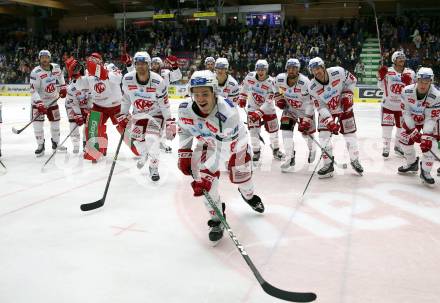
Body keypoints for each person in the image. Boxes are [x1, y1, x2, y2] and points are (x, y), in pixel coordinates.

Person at [177, 70, 264, 243]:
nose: (201, 98)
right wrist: (184, 152)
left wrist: (206, 176)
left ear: (214, 92)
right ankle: (217, 219)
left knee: (242, 179)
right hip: (210, 144)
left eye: (205, 94)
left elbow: (224, 148)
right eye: (196, 94)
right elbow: (185, 129)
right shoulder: (184, 109)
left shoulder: (227, 113)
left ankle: (248, 196)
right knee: (207, 186)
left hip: (234, 144)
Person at [119, 51, 176, 181]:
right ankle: (144, 154)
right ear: (135, 64)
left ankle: (153, 167)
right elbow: (126, 98)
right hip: (138, 114)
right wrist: (123, 114)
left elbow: (164, 104)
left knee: (151, 139)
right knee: (138, 142)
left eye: (144, 63)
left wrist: (169, 122)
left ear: (149, 64)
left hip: (156, 113)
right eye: (138, 63)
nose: (140, 66)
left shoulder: (158, 81)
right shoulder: (127, 78)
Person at [308, 57, 364, 178]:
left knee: (350, 135)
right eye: (313, 70)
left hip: (345, 107)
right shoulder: (312, 86)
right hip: (327, 111)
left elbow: (353, 80)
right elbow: (320, 106)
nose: (316, 72)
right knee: (323, 137)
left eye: (318, 68)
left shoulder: (338, 72)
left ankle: (355, 160)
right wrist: (329, 121)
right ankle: (328, 164)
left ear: (323, 66)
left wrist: (348, 94)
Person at [397, 67, 440, 185]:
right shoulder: (406, 91)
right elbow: (405, 112)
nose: (423, 85)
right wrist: (412, 130)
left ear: (431, 81)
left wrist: (426, 136)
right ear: (416, 80)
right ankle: (412, 163)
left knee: (431, 147)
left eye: (427, 82)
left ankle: (425, 171)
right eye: (421, 81)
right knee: (404, 141)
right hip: (412, 121)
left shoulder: (436, 95)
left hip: (428, 121)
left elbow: (431, 118)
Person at [238, 59, 285, 164]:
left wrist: (259, 112)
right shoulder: (250, 76)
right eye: (258, 69)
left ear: (266, 69)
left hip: (268, 110)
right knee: (253, 131)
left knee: (273, 131)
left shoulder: (272, 82)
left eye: (263, 69)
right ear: (256, 69)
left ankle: (276, 149)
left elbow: (269, 101)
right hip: (252, 108)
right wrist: (242, 97)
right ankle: (256, 151)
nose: (260, 72)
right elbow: (244, 87)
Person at [274, 58, 316, 172]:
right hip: (290, 109)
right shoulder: (280, 78)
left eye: (294, 68)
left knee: (306, 134)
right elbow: (274, 87)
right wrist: (278, 98)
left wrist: (307, 120)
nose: (291, 70)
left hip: (305, 111)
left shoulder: (305, 82)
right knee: (286, 132)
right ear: (286, 68)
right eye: (289, 68)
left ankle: (312, 148)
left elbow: (311, 102)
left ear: (298, 69)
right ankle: (289, 157)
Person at [83, 53, 125, 162]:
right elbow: (82, 87)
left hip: (116, 106)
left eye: (95, 59)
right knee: (93, 127)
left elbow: (118, 79)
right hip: (99, 106)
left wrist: (103, 72)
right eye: (91, 59)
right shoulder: (88, 72)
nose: (93, 61)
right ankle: (96, 151)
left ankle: (140, 149)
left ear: (101, 61)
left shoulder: (110, 67)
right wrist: (75, 76)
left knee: (127, 130)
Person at [377, 50, 416, 158]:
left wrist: (409, 84)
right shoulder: (388, 71)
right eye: (399, 58)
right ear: (394, 60)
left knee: (400, 128)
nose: (402, 60)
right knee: (387, 127)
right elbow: (380, 86)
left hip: (403, 107)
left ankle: (397, 147)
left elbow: (415, 90)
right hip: (388, 105)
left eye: (403, 58)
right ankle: (386, 147)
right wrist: (380, 76)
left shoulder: (410, 73)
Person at [29, 50, 67, 157]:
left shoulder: (56, 67)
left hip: (53, 101)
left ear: (50, 58)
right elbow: (33, 90)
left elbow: (60, 77)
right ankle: (40, 145)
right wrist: (39, 103)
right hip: (38, 103)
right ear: (39, 59)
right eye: (42, 57)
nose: (44, 59)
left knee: (55, 124)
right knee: (38, 126)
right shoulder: (35, 72)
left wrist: (63, 87)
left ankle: (56, 143)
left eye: (46, 57)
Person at [151, 56, 182, 153]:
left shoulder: (166, 73)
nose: (155, 65)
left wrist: (175, 65)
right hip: (150, 102)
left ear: (160, 65)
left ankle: (161, 142)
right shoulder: (148, 74)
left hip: (163, 102)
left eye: (157, 63)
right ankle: (150, 141)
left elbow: (178, 76)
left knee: (165, 123)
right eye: (153, 63)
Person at [64, 56, 91, 153]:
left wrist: (89, 107)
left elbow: (92, 96)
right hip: (71, 105)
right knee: (73, 123)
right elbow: (73, 102)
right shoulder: (71, 87)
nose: (77, 73)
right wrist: (78, 115)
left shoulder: (89, 80)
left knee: (88, 123)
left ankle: (85, 143)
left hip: (85, 103)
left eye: (79, 70)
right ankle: (75, 144)